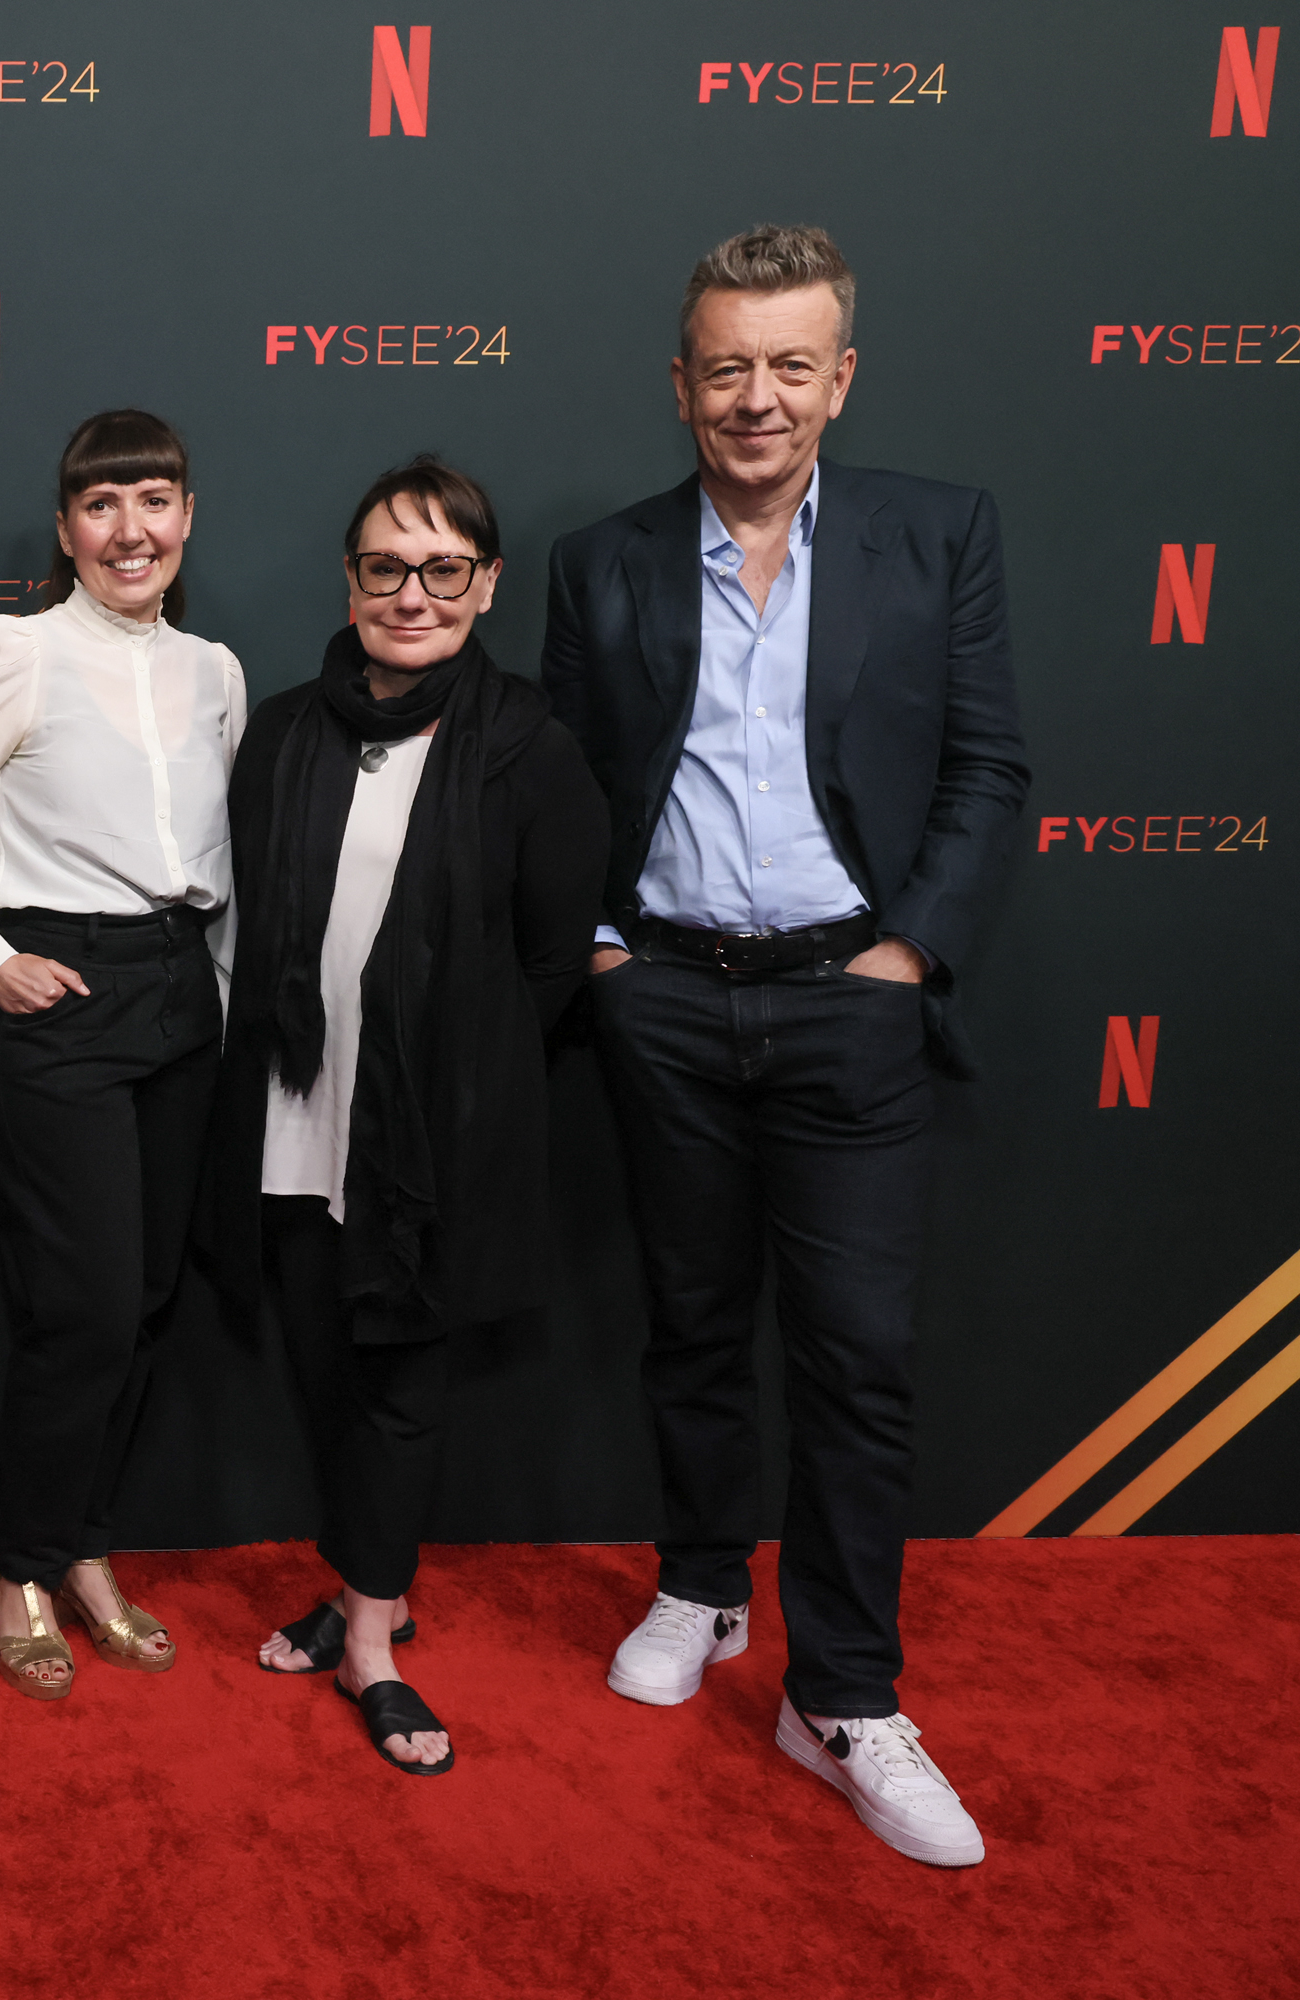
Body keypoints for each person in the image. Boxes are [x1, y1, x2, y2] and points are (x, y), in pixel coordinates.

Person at [543, 226, 1027, 1865]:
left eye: (792, 365)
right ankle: (700, 1586)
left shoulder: (935, 536)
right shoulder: (600, 562)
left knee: (853, 1360)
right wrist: (602, 952)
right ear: (681, 381)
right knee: (689, 1327)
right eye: (728, 366)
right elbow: (565, 785)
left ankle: (846, 1693)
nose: (759, 398)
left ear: (841, 378)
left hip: (852, 1005)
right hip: (663, 1002)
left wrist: (909, 957)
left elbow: (986, 767)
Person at [213, 457, 606, 1773]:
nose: (413, 594)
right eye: (387, 566)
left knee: (398, 1384)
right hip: (292, 1116)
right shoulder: (285, 730)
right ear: (352, 577)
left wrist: (457, 1074)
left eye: (445, 569)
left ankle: (373, 1643)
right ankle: (359, 1589)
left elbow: (556, 963)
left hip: (432, 1136)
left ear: (487, 584)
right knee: (325, 1365)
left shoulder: (527, 750)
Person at [0, 410, 242, 1702]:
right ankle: (18, 1565)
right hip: (55, 1000)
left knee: (148, 1300)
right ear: (66, 530)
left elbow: (222, 870)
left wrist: (219, 995)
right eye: (102, 506)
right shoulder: (15, 651)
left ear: (186, 517)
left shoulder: (216, 671)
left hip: (177, 1001)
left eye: (153, 500)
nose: (129, 529)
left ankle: (87, 1547)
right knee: (80, 1309)